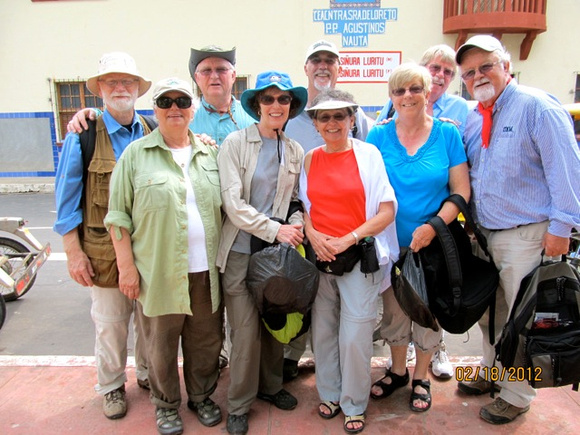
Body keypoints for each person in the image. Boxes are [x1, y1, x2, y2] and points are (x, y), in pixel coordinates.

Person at [454, 35, 580, 424]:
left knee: (522, 319)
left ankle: (517, 393)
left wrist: (562, 227)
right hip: (487, 236)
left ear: (506, 66)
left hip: (528, 233)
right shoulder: (475, 117)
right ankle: (492, 372)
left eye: (486, 66)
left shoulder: (537, 107)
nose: (478, 76)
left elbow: (566, 170)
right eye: (470, 72)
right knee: (492, 315)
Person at [105, 77, 223, 435]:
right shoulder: (135, 155)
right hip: (157, 273)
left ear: (193, 109)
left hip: (205, 272)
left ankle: (202, 396)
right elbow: (117, 216)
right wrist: (126, 268)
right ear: (154, 110)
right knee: (160, 345)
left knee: (206, 341)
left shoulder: (209, 153)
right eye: (165, 101)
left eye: (182, 101)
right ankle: (166, 404)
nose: (174, 107)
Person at [366, 63, 470, 413]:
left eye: (414, 89)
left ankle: (421, 376)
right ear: (391, 97)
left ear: (429, 93)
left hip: (433, 245)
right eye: (399, 91)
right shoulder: (378, 136)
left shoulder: (447, 134)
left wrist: (432, 227)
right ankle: (397, 371)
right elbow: (365, 189)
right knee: (395, 314)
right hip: (389, 247)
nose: (407, 96)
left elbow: (461, 192)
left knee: (428, 312)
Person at [53, 52, 151, 420]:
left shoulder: (151, 130)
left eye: (127, 82)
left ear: (138, 90)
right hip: (103, 251)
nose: (121, 88)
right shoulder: (85, 133)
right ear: (101, 90)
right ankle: (111, 386)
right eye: (112, 82)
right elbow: (66, 196)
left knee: (148, 323)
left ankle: (146, 375)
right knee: (110, 325)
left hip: (147, 251)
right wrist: (73, 251)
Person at [300, 88, 398, 434]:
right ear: (315, 123)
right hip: (322, 259)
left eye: (339, 115)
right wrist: (313, 236)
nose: (332, 123)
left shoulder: (368, 154)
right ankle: (329, 393)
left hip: (357, 257)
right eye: (323, 117)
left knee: (355, 335)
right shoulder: (310, 158)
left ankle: (354, 402)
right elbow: (304, 208)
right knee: (324, 332)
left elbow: (387, 211)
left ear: (352, 119)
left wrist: (349, 238)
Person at [216, 71, 308, 435]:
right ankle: (239, 404)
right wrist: (276, 229)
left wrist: (297, 223)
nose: (275, 105)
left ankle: (271, 387)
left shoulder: (295, 149)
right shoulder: (235, 144)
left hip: (276, 255)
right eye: (268, 99)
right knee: (244, 330)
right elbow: (233, 204)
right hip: (241, 252)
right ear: (256, 105)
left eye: (283, 99)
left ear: (290, 106)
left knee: (274, 323)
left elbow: (297, 199)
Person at [282, 39, 374, 382]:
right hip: (303, 224)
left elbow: (367, 167)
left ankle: (342, 375)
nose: (323, 66)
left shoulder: (356, 115)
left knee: (342, 315)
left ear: (339, 68)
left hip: (348, 234)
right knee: (304, 299)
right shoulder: (292, 113)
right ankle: (293, 356)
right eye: (316, 60)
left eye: (330, 61)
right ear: (306, 67)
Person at [188, 45, 255, 145]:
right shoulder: (186, 121)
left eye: (221, 70)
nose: (214, 76)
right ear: (197, 78)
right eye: (206, 71)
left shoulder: (252, 117)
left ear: (233, 76)